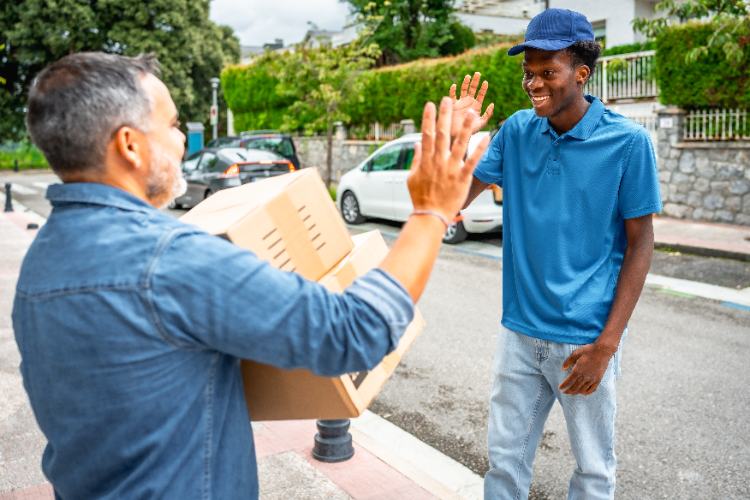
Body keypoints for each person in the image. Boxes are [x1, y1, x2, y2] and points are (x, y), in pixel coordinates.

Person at [12, 52, 489, 499]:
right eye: (174, 124)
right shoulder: (168, 260)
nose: (182, 140)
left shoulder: (42, 262)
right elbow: (353, 333)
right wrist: (431, 211)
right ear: (130, 145)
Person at [454, 8, 662, 500]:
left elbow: (640, 244)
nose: (533, 83)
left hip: (585, 342)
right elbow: (453, 198)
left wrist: (608, 344)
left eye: (548, 72)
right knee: (504, 465)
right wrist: (455, 140)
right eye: (529, 73)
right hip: (519, 334)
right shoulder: (517, 131)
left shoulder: (628, 143)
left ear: (581, 73)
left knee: (593, 472)